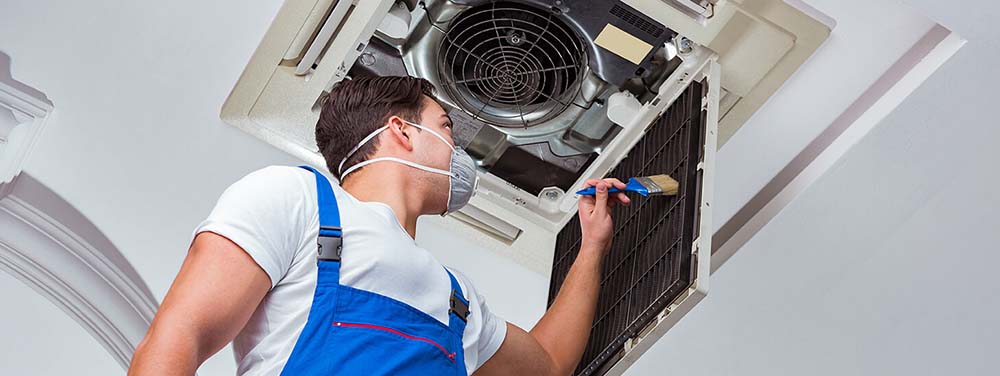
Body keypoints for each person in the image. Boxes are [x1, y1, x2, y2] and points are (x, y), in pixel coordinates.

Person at [128, 76, 630, 375]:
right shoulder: (296, 199)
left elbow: (547, 363)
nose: (457, 154)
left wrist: (592, 247)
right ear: (401, 131)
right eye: (445, 128)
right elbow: (182, 334)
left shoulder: (457, 298)